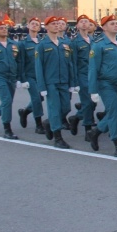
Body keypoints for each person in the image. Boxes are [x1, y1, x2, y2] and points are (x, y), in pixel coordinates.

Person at [87, 15, 117, 159]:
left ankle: (96, 132)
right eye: (112, 23)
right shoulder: (99, 45)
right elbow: (93, 68)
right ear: (104, 27)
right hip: (106, 84)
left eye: (116, 23)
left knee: (116, 111)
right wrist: (93, 90)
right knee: (114, 113)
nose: (115, 25)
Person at [35, 16, 75, 149]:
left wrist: (72, 82)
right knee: (55, 109)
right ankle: (58, 138)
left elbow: (70, 64)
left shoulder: (64, 44)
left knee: (66, 108)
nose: (56, 26)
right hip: (50, 82)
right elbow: (38, 67)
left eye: (58, 24)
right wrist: (42, 86)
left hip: (64, 81)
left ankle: (49, 123)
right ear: (46, 27)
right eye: (53, 24)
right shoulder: (42, 45)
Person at [16, 17, 46, 134]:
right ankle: (39, 125)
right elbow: (21, 62)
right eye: (32, 24)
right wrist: (22, 79)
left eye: (37, 24)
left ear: (39, 28)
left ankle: (25, 112)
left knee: (41, 97)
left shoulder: (42, 42)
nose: (34, 26)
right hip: (30, 76)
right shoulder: (23, 43)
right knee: (36, 98)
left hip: (41, 76)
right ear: (28, 26)